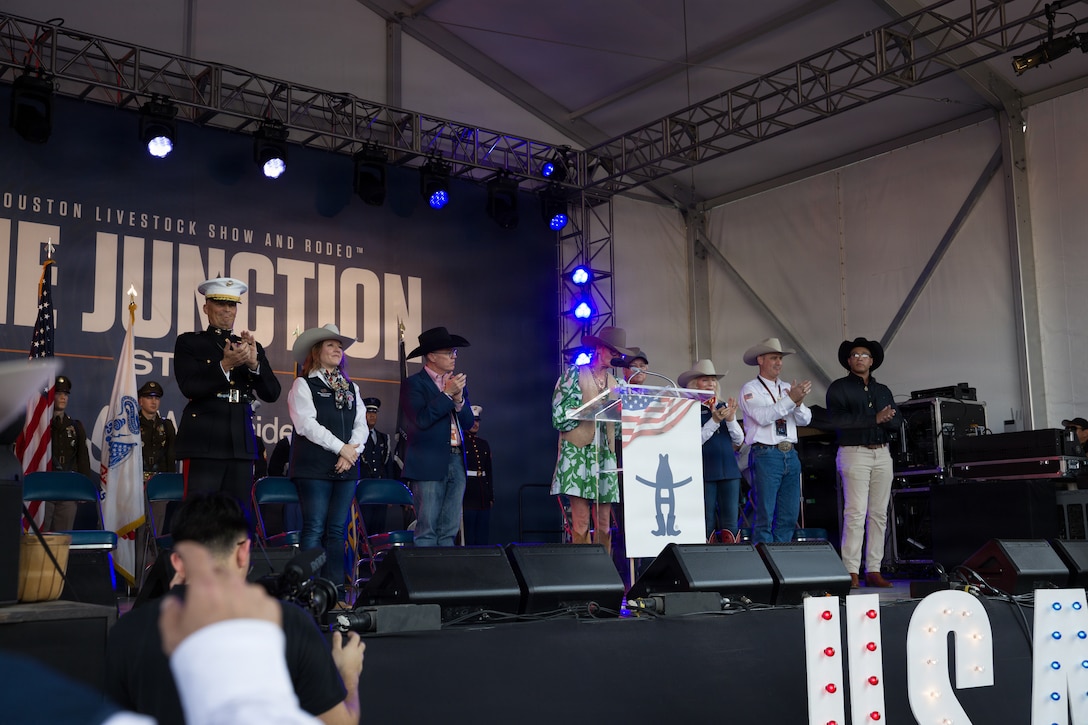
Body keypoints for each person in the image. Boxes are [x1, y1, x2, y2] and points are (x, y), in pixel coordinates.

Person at [104, 492, 364, 725]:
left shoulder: (126, 632)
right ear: (243, 552)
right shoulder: (289, 624)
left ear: (177, 563)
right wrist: (348, 674)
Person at [173, 276, 281, 504]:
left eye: (231, 305)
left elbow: (272, 393)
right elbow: (189, 386)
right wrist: (225, 366)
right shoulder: (190, 343)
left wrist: (254, 365)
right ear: (206, 308)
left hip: (240, 439)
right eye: (220, 304)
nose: (227, 310)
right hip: (205, 440)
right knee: (200, 514)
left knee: (238, 515)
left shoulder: (250, 347)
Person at [287, 323, 367, 591]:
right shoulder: (303, 384)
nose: (337, 349)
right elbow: (306, 425)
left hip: (346, 468)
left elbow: (361, 425)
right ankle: (308, 589)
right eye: (331, 344)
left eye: (340, 346)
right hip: (314, 468)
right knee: (314, 527)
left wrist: (352, 452)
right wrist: (341, 448)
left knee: (337, 530)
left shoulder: (350, 387)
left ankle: (334, 590)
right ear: (316, 351)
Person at [551, 326, 633, 553]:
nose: (617, 357)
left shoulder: (618, 386)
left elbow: (617, 431)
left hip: (605, 455)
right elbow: (559, 417)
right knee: (581, 521)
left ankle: (606, 577)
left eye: (619, 354)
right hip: (577, 453)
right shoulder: (573, 374)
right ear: (599, 349)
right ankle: (583, 579)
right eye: (613, 352)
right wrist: (586, 410)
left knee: (605, 524)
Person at [825, 337, 898, 589]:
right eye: (854, 355)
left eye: (864, 355)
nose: (859, 358)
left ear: (872, 361)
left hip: (881, 453)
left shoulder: (883, 390)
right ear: (848, 360)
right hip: (854, 452)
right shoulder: (839, 388)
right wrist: (874, 418)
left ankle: (874, 569)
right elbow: (839, 421)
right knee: (855, 512)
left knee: (878, 514)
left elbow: (896, 421)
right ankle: (850, 570)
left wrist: (885, 419)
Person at [400, 326, 475, 547]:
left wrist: (459, 399)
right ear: (432, 356)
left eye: (455, 352)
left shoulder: (454, 383)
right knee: (427, 529)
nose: (454, 357)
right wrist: (446, 394)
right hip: (428, 461)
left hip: (456, 458)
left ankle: (445, 579)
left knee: (449, 529)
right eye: (449, 352)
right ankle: (425, 580)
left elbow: (469, 423)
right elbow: (421, 419)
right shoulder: (413, 384)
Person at [738, 337, 812, 544]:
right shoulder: (750, 389)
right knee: (765, 515)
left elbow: (806, 419)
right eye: (773, 358)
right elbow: (763, 417)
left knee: (789, 514)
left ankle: (781, 562)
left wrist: (797, 403)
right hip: (766, 453)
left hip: (790, 453)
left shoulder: (788, 387)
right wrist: (791, 400)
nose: (779, 362)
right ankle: (764, 564)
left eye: (780, 358)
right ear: (760, 360)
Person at [678, 359, 744, 540]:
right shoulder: (688, 409)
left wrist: (730, 419)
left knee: (731, 522)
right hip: (703, 470)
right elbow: (693, 441)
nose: (711, 384)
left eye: (713, 379)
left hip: (729, 470)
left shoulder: (722, 406)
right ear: (694, 384)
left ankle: (731, 559)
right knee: (706, 520)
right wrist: (714, 421)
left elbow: (739, 440)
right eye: (705, 380)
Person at [44, 375, 93, 531]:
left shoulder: (75, 426)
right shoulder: (42, 424)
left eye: (65, 394)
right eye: (58, 393)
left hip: (68, 489)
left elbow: (83, 458)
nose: (63, 397)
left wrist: (83, 487)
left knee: (63, 538)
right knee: (39, 536)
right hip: (44, 487)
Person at [462, 404, 494, 545]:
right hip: (467, 493)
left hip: (482, 495)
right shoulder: (460, 442)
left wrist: (490, 495)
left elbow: (489, 472)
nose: (475, 424)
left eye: (477, 421)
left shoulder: (483, 444)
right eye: (472, 420)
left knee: (482, 534)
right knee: (468, 534)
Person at [138, 380, 176, 480]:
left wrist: (171, 481)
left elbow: (171, 457)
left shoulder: (167, 425)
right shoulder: (132, 425)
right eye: (149, 397)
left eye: (157, 398)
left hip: (161, 482)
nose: (153, 401)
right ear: (140, 401)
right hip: (135, 482)